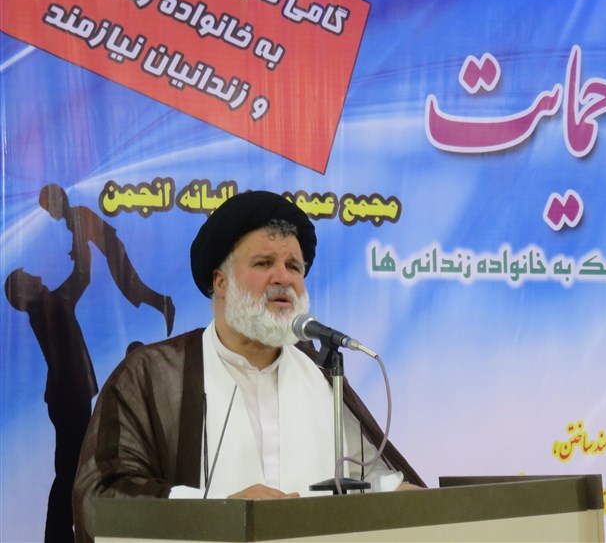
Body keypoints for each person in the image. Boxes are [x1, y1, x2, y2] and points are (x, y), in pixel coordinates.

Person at [72, 191, 425, 542]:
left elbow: (364, 477)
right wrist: (221, 512)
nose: (282, 277)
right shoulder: (153, 374)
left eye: (294, 266)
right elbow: (101, 495)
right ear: (220, 282)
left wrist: (402, 497)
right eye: (263, 263)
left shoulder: (320, 375)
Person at [5, 241, 97, 543]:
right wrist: (81, 238)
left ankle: (61, 534)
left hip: (68, 398)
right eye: (26, 278)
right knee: (71, 471)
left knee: (71, 469)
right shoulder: (51, 304)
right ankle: (59, 536)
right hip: (70, 399)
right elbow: (82, 276)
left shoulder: (48, 305)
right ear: (23, 295)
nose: (34, 276)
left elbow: (81, 277)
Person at [39, 183, 175, 336]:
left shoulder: (76, 215)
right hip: (112, 252)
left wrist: (76, 252)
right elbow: (80, 240)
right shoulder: (73, 218)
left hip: (114, 251)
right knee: (132, 288)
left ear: (59, 201)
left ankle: (165, 304)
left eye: (49, 207)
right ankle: (163, 304)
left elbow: (81, 240)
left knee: (132, 287)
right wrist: (75, 251)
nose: (50, 213)